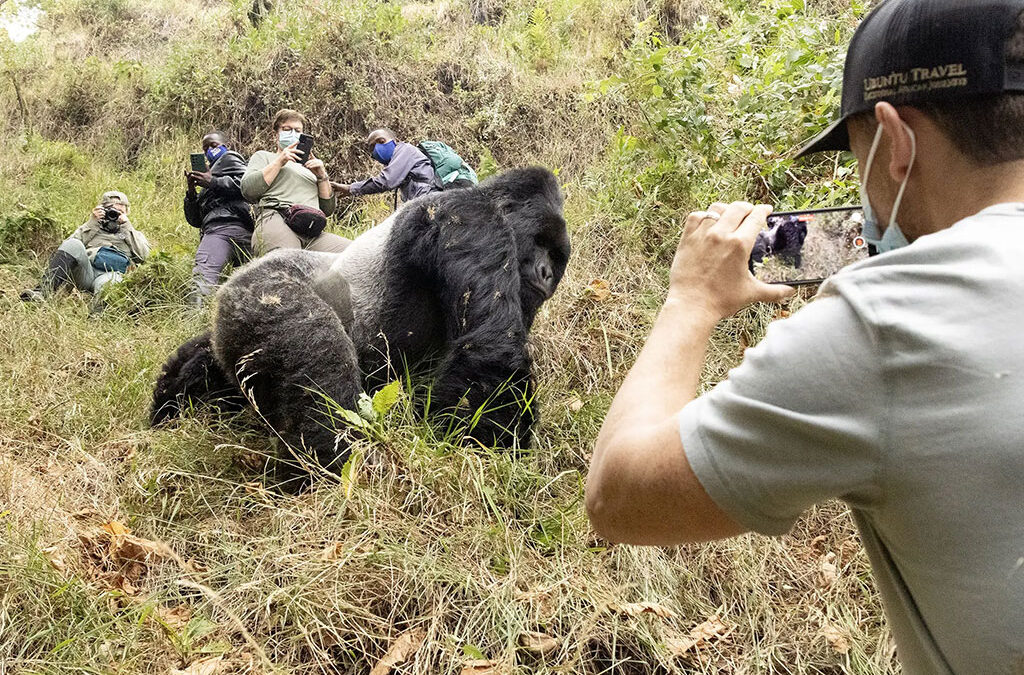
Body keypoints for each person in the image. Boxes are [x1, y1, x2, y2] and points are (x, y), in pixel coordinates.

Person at [585, 1, 1024, 673]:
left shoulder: (887, 322)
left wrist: (691, 300)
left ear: (896, 141)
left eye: (858, 157)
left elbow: (618, 498)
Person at [240, 108, 349, 256]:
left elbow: (327, 209)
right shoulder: (264, 157)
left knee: (354, 256)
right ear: (275, 135)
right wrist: (280, 161)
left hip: (311, 228)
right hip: (277, 218)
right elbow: (248, 190)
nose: (293, 134)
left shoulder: (310, 169)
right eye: (287, 129)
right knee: (287, 260)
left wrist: (322, 176)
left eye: (298, 131)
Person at [20, 191, 150, 305]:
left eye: (120, 212)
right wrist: (92, 223)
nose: (114, 215)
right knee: (73, 243)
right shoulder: (91, 227)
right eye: (111, 210)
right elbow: (67, 247)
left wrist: (126, 226)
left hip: (111, 275)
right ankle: (43, 291)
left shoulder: (134, 234)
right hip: (86, 272)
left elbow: (145, 256)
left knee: (109, 284)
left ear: (127, 213)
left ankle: (97, 317)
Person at [184, 131, 253, 304]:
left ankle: (197, 314)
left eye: (213, 145)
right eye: (205, 148)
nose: (209, 151)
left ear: (225, 146)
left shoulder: (229, 158)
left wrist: (213, 182)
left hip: (233, 225)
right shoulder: (209, 175)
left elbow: (248, 186)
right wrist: (192, 193)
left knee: (204, 276)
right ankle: (197, 317)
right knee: (207, 277)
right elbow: (195, 220)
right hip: (218, 230)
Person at [332, 128, 442, 204]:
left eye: (381, 141)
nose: (377, 149)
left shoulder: (405, 150)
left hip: (429, 200)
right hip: (420, 202)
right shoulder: (397, 164)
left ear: (394, 141)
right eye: (372, 148)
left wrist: (350, 188)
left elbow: (386, 181)